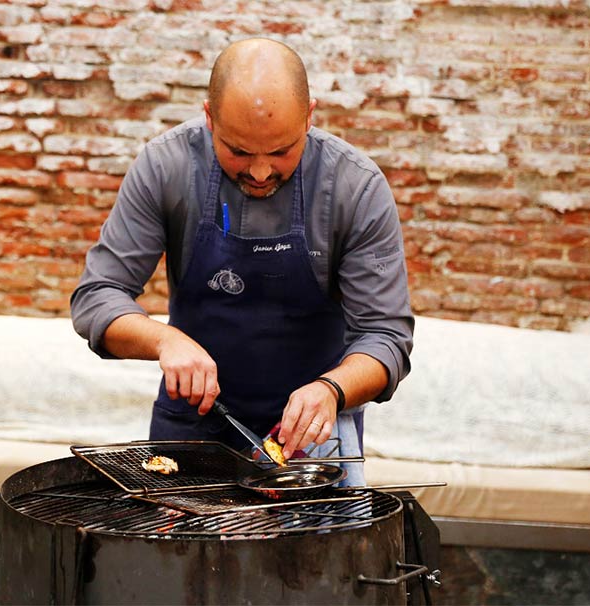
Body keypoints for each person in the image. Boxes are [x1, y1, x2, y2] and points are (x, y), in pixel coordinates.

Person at [71, 37, 413, 485]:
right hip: (192, 426)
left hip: (311, 438)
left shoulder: (355, 187)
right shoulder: (166, 167)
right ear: (209, 118)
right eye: (237, 151)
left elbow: (385, 336)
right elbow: (97, 296)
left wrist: (332, 390)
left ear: (309, 116)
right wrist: (164, 340)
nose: (259, 172)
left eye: (281, 152)